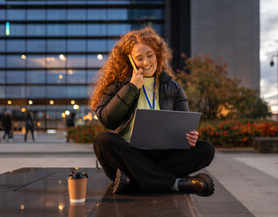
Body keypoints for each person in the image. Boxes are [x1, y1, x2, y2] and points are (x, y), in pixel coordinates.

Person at [90, 27, 215, 196]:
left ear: (158, 54)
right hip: (129, 155)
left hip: (163, 155)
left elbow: (184, 125)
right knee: (102, 140)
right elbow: (107, 119)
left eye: (150, 55)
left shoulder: (173, 88)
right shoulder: (118, 85)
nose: (146, 62)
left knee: (206, 149)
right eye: (139, 58)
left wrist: (190, 137)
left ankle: (134, 180)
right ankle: (174, 184)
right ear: (130, 60)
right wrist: (132, 87)